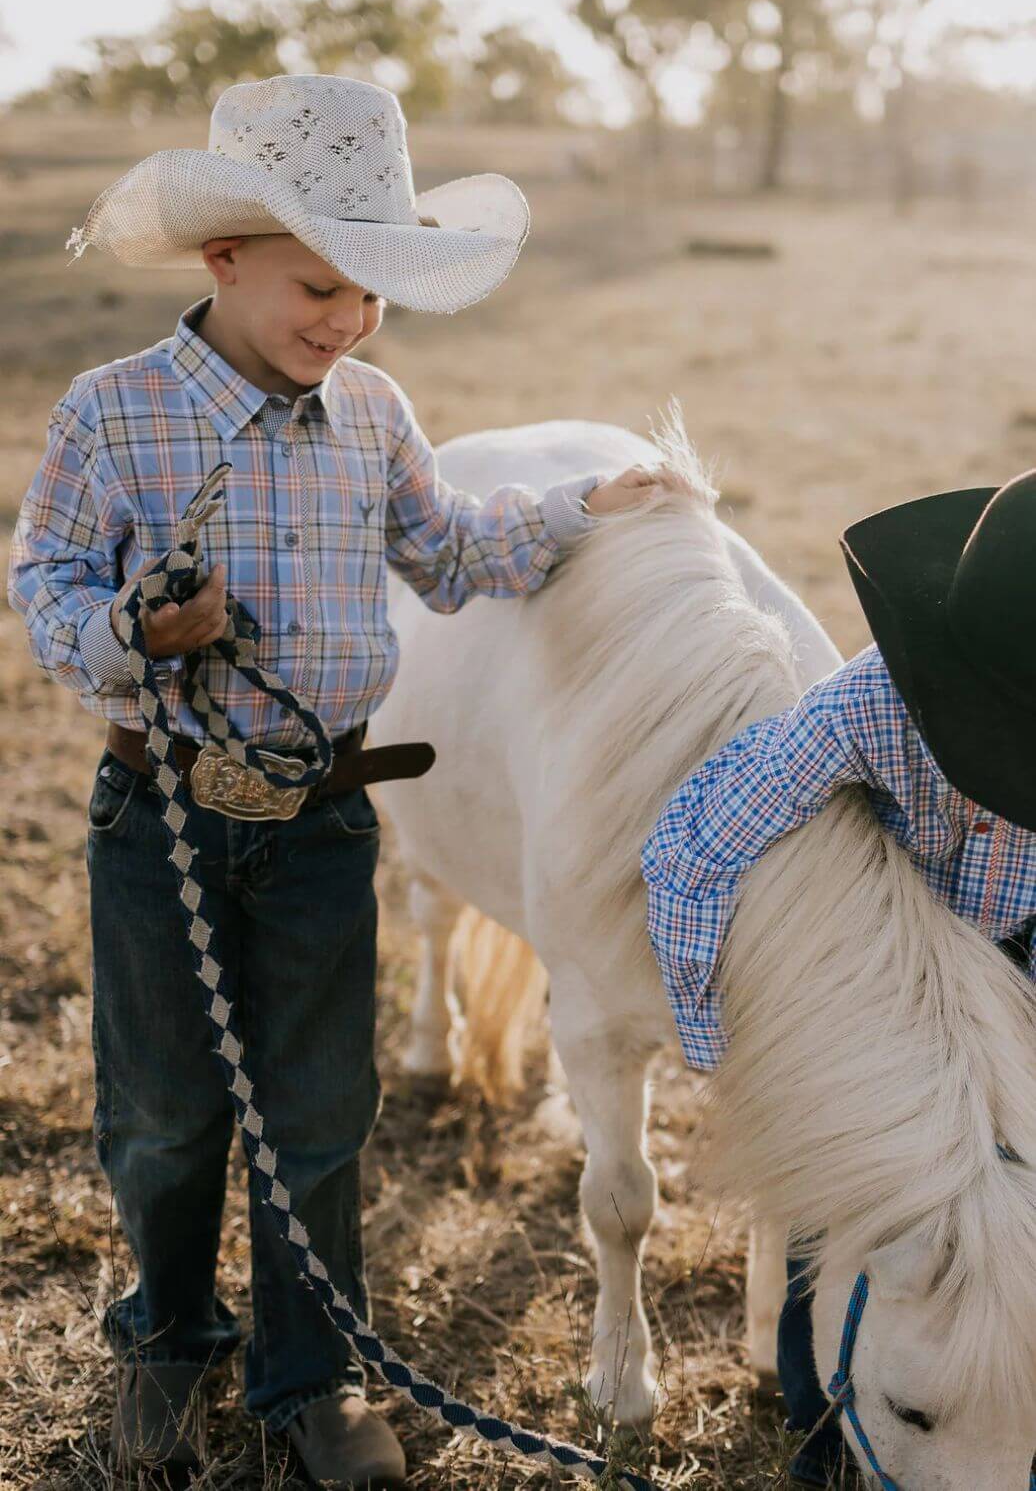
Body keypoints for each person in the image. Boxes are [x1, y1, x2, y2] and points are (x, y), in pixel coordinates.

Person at [7, 73, 658, 1490]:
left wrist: (574, 511)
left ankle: (312, 1373)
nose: (348, 320)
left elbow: (448, 549)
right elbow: (41, 579)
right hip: (162, 811)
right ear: (223, 258)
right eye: (321, 286)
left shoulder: (370, 414)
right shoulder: (113, 416)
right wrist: (128, 632)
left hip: (317, 821)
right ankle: (168, 1341)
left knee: (317, 1112)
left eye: (373, 296)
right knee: (165, 1110)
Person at [640, 467, 1036, 1487]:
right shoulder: (877, 700)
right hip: (908, 969)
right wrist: (710, 1041)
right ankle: (821, 1412)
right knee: (855, 1209)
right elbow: (695, 840)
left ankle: (1006, 1414)